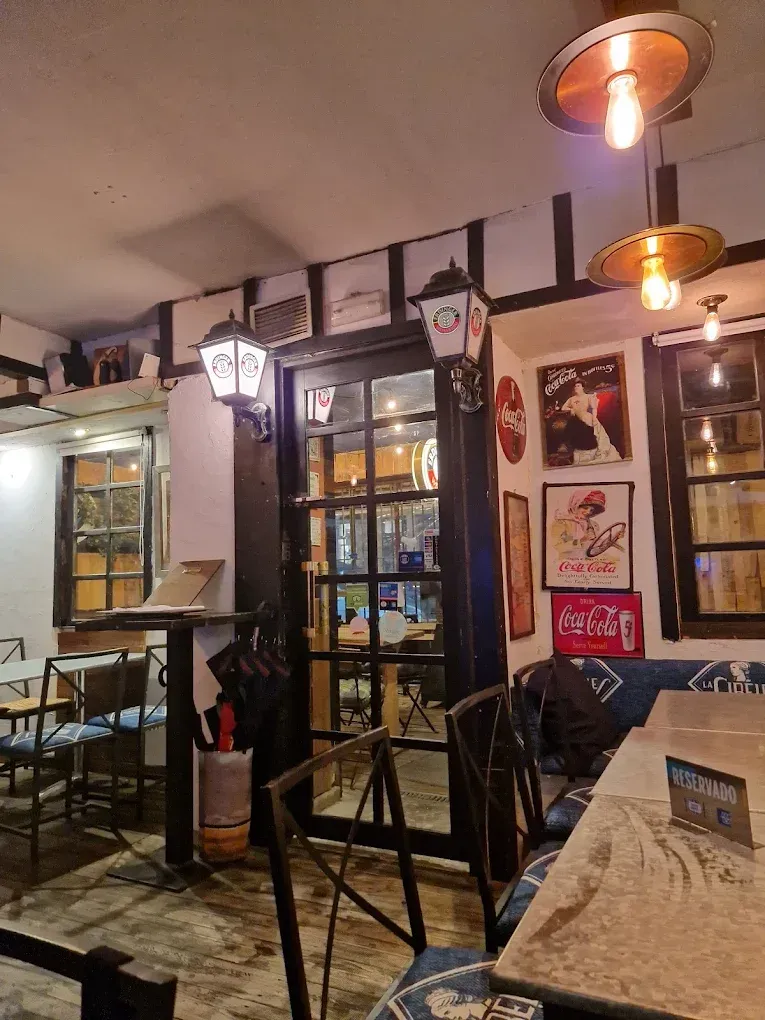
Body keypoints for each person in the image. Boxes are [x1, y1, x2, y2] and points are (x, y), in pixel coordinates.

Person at [560, 378, 621, 464]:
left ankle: (593, 450)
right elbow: (563, 408)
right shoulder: (571, 399)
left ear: (582, 387)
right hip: (576, 420)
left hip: (586, 418)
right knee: (570, 426)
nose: (576, 388)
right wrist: (570, 410)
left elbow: (594, 408)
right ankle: (568, 447)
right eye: (575, 386)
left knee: (594, 432)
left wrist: (594, 419)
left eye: (578, 386)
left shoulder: (588, 397)